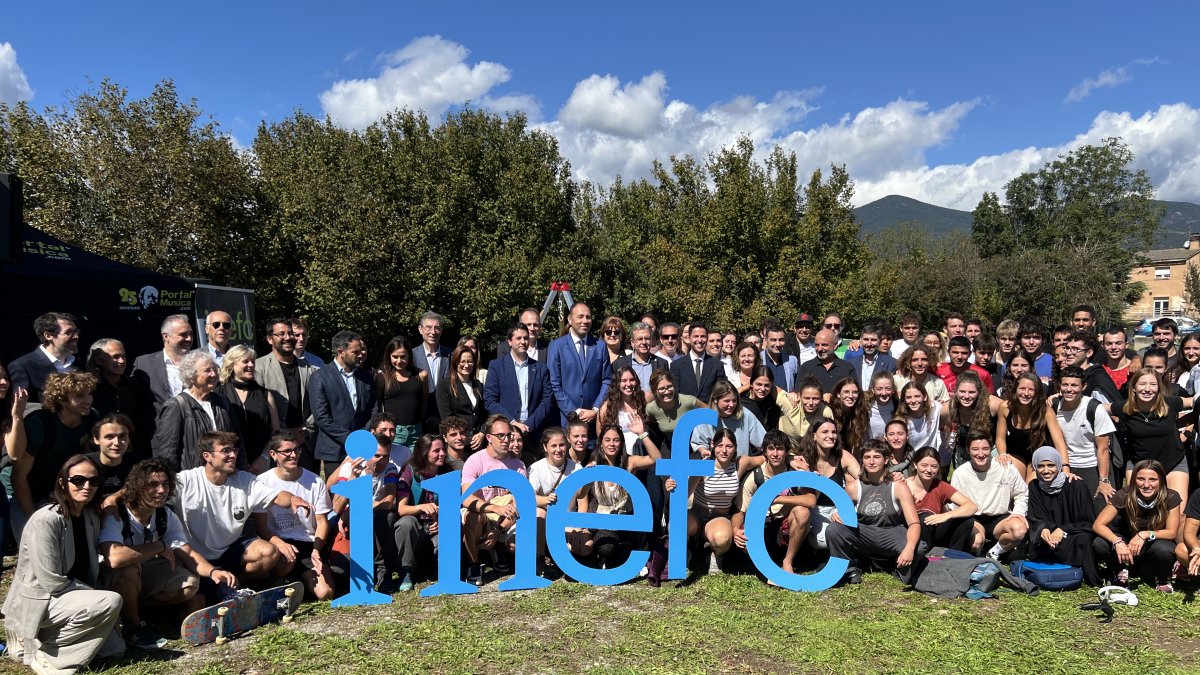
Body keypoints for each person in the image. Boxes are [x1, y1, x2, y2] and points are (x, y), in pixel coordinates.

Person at [3, 455, 125, 673]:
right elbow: (51, 582)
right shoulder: (46, 520)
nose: (87, 486)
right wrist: (100, 600)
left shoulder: (90, 516)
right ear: (62, 482)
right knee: (110, 601)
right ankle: (45, 656)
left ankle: (47, 643)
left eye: (94, 481)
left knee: (115, 650)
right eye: (78, 480)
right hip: (44, 600)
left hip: (70, 598)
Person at [174, 431, 314, 604]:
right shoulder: (185, 481)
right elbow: (154, 494)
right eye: (226, 451)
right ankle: (216, 590)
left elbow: (277, 496)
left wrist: (293, 499)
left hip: (230, 550)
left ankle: (232, 586)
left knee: (268, 552)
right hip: (196, 557)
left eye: (234, 450)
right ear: (207, 456)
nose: (233, 455)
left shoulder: (244, 480)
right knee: (194, 609)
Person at [97, 458, 202, 649]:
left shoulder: (163, 514)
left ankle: (135, 612)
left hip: (143, 575)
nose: (161, 490)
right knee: (128, 568)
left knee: (189, 584)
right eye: (153, 485)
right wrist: (158, 547)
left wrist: (214, 573)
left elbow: (185, 550)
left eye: (165, 484)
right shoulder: (117, 513)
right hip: (108, 580)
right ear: (137, 487)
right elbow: (114, 558)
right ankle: (133, 627)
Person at [12, 372, 99, 539]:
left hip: (62, 495)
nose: (88, 400)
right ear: (61, 399)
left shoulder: (91, 418)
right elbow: (18, 478)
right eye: (80, 396)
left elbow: (88, 459)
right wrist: (35, 519)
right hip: (27, 495)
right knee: (35, 549)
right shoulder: (39, 424)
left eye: (90, 394)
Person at [669, 428, 766, 574]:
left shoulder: (740, 463)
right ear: (712, 445)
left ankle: (715, 555)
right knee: (676, 526)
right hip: (696, 515)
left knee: (722, 539)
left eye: (729, 446)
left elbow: (766, 457)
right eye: (720, 445)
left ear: (735, 448)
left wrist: (790, 458)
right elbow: (684, 495)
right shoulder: (704, 465)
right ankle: (682, 558)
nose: (724, 451)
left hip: (719, 518)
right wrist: (673, 484)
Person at [827, 439, 924, 584]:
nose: (871, 462)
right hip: (864, 532)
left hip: (890, 532)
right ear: (863, 461)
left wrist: (909, 548)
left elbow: (914, 523)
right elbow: (840, 513)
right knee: (834, 530)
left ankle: (897, 568)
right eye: (867, 457)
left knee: (919, 548)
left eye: (876, 457)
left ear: (886, 460)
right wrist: (836, 514)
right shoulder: (853, 487)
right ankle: (850, 569)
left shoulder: (898, 486)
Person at [254, 430, 334, 600]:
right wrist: (280, 543)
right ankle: (279, 579)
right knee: (285, 560)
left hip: (307, 542)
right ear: (273, 455)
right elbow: (261, 527)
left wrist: (316, 550)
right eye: (287, 451)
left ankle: (297, 580)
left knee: (325, 593)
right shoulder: (261, 482)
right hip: (278, 541)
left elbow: (322, 523)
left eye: (296, 450)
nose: (293, 455)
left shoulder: (315, 481)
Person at [327, 419, 401, 591]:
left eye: (385, 456)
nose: (381, 461)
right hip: (349, 522)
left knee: (386, 517)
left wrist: (362, 506)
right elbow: (337, 507)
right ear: (367, 454)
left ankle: (384, 571)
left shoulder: (389, 469)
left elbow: (389, 502)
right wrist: (353, 480)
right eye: (377, 456)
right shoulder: (349, 468)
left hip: (371, 518)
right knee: (341, 572)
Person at [729, 431, 815, 576]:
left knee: (803, 512)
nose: (775, 453)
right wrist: (735, 530)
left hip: (785, 526)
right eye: (771, 448)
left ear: (787, 452)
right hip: (763, 525)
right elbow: (740, 511)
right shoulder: (756, 476)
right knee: (744, 531)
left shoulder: (795, 471)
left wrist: (777, 499)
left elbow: (811, 500)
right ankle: (764, 561)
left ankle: (787, 561)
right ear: (765, 451)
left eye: (780, 449)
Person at [1112, 368, 1194, 512]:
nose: (1147, 389)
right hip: (1140, 465)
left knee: (1178, 513)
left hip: (1173, 463)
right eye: (1142, 384)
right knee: (1139, 512)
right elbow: (1097, 408)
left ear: (1159, 388)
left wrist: (1188, 429)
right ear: (1134, 388)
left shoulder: (1171, 403)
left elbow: (1195, 401)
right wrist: (1059, 401)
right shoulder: (1124, 408)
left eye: (1153, 384)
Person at [583, 424, 663, 571]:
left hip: (627, 520)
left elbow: (657, 459)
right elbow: (581, 494)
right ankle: (609, 558)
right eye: (607, 440)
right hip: (604, 522)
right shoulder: (594, 466)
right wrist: (588, 479)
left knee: (651, 522)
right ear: (601, 443)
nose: (612, 444)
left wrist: (642, 434)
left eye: (616, 440)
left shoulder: (629, 462)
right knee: (607, 548)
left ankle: (639, 560)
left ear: (621, 442)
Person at [1093, 459, 1181, 592]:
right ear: (1134, 480)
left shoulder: (1171, 497)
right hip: (1127, 545)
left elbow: (1171, 532)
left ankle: (1163, 578)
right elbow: (1098, 525)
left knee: (1164, 549)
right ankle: (1120, 573)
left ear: (1161, 481)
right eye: (1140, 479)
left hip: (1153, 544)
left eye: (1152, 479)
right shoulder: (1124, 495)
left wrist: (1144, 534)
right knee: (1100, 543)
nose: (1146, 485)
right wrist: (1117, 541)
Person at [460, 415, 528, 584]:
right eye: (501, 436)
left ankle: (499, 549)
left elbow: (521, 503)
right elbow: (466, 498)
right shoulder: (475, 460)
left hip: (505, 518)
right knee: (473, 515)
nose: (506, 440)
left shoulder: (518, 465)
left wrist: (498, 529)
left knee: (520, 543)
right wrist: (494, 509)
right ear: (488, 438)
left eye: (508, 436)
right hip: (482, 512)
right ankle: (473, 563)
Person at [151, 350, 241, 473]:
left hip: (224, 478)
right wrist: (173, 483)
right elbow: (168, 452)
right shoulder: (177, 406)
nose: (214, 374)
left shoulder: (223, 402)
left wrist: (241, 471)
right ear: (191, 376)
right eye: (207, 370)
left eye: (215, 369)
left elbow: (237, 440)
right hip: (194, 482)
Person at [1027, 447, 1101, 586]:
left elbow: (1089, 521)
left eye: (1051, 465)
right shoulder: (1034, 486)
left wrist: (1063, 530)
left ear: (1059, 466)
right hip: (1050, 538)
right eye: (1041, 466)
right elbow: (1036, 516)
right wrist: (1044, 529)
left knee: (1083, 539)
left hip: (1073, 534)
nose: (1046, 470)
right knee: (1037, 541)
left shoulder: (1076, 484)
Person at [309, 330, 376, 479]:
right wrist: (350, 438)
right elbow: (321, 416)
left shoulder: (366, 377)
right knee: (338, 496)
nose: (361, 355)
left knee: (362, 495)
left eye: (361, 350)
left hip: (363, 448)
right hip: (334, 450)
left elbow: (374, 409)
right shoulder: (320, 377)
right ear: (341, 352)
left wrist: (362, 436)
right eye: (355, 351)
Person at [951, 432, 1029, 559]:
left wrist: (1018, 512)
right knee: (976, 542)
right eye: (975, 449)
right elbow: (954, 503)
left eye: (985, 449)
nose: (980, 454)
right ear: (967, 450)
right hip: (974, 518)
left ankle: (994, 552)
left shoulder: (1005, 468)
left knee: (1019, 530)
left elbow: (1022, 493)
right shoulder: (960, 473)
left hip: (1000, 517)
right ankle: (977, 551)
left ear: (991, 449)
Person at [1054, 366, 1117, 512]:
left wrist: (1104, 480)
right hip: (1067, 465)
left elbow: (1103, 448)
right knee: (1071, 511)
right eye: (1065, 385)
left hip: (1092, 466)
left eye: (1074, 385)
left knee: (1101, 510)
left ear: (1084, 387)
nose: (1069, 389)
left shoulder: (1094, 408)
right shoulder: (1055, 406)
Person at [393, 434, 452, 591]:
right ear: (424, 453)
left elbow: (453, 505)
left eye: (443, 450)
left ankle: (447, 571)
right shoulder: (409, 472)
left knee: (453, 525)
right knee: (406, 522)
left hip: (436, 528)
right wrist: (421, 507)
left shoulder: (447, 472)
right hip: (416, 528)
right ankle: (405, 572)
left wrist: (442, 520)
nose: (442, 454)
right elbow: (401, 509)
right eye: (436, 451)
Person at [484, 323, 555, 444]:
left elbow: (547, 400)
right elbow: (490, 400)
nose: (523, 341)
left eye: (526, 338)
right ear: (509, 342)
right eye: (518, 338)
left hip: (533, 432)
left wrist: (529, 424)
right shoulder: (496, 366)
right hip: (505, 434)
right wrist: (512, 422)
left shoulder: (540, 368)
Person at [85, 338, 153, 461]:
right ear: (99, 360)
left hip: (133, 453)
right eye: (115, 357)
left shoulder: (134, 386)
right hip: (100, 455)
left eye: (124, 356)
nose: (121, 361)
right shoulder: (91, 389)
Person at [995, 372, 1069, 481]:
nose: (1026, 393)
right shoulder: (1005, 407)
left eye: (1031, 390)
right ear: (1015, 389)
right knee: (1013, 478)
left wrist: (1065, 468)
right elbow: (1000, 438)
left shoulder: (1045, 411)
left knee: (1032, 485)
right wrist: (1002, 454)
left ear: (1037, 392)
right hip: (1016, 454)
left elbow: (1059, 442)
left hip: (1039, 455)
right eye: (1022, 388)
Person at [548, 302, 612, 428]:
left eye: (588, 317)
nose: (585, 320)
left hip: (594, 421)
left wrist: (595, 409)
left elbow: (607, 379)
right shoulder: (556, 346)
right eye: (580, 316)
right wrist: (575, 412)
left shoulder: (600, 346)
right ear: (570, 319)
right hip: (567, 420)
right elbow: (554, 383)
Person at [218, 345, 279, 471]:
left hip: (262, 465)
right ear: (232, 364)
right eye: (245, 361)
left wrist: (264, 457)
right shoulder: (218, 394)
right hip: (228, 464)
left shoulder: (265, 394)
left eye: (252, 361)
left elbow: (275, 431)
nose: (251, 365)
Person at [906, 447, 977, 552]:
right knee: (924, 517)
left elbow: (972, 506)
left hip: (935, 531)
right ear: (915, 465)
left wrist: (946, 515)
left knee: (967, 520)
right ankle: (924, 555)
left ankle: (953, 554)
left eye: (934, 466)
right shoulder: (904, 486)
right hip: (910, 533)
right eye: (924, 465)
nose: (929, 470)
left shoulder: (941, 486)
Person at [255, 318, 315, 439]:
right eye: (281, 334)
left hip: (305, 440)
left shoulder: (309, 368)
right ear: (269, 339)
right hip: (275, 442)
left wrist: (306, 430)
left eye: (290, 333)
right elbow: (259, 407)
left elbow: (318, 403)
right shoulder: (259, 367)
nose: (288, 337)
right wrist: (286, 433)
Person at [7, 311, 81, 403]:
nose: (76, 336)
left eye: (76, 332)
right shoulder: (23, 366)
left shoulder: (79, 364)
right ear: (48, 336)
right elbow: (22, 407)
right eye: (68, 332)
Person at [132, 314, 195, 410]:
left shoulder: (199, 363)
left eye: (191, 334)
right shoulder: (143, 364)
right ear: (166, 336)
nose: (189, 339)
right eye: (183, 334)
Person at [690, 381, 767, 457]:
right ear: (716, 400)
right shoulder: (706, 418)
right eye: (727, 401)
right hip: (715, 466)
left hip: (740, 467)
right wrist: (704, 451)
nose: (731, 405)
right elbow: (698, 442)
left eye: (734, 401)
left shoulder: (745, 415)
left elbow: (763, 442)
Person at [375, 336, 427, 447]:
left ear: (409, 356)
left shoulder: (421, 375)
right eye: (395, 357)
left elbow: (424, 402)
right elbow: (377, 405)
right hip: (393, 432)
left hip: (415, 431)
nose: (399, 361)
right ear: (389, 356)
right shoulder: (383, 377)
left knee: (414, 464)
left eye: (403, 356)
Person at [436, 345, 488, 450]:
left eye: (470, 361)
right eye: (462, 361)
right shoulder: (445, 385)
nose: (466, 365)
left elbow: (484, 414)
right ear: (455, 362)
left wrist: (482, 433)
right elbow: (447, 417)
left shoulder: (478, 385)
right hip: (458, 442)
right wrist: (464, 435)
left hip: (478, 441)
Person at [84, 414, 135, 510]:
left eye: (122, 437)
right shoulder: (83, 464)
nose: (117, 443)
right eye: (109, 437)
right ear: (96, 439)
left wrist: (115, 497)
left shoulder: (136, 465)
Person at [598, 366, 654, 452]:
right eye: (623, 381)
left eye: (632, 380)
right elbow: (600, 436)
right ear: (617, 383)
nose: (629, 384)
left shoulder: (645, 397)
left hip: (643, 450)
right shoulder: (607, 406)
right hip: (619, 453)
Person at [669, 321, 726, 403]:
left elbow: (721, 392)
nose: (699, 340)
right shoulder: (676, 365)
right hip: (686, 413)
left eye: (703, 336)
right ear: (689, 338)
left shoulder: (717, 365)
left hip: (708, 412)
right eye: (696, 336)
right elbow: (675, 394)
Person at [412, 312, 451, 431]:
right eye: (428, 327)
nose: (433, 332)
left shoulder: (451, 355)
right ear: (420, 329)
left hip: (444, 418)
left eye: (437, 328)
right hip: (418, 419)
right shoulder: (411, 355)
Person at [1061, 331, 1122, 404]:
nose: (1068, 353)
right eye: (1067, 348)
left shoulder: (1096, 380)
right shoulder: (1069, 374)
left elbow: (1107, 410)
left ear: (1089, 353)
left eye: (1075, 349)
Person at [795, 329, 857, 396]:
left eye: (824, 345)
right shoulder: (806, 367)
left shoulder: (847, 368)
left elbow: (854, 393)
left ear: (835, 345)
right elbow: (799, 393)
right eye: (817, 345)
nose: (820, 349)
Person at [612, 321, 669, 394]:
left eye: (647, 338)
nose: (644, 342)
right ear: (632, 343)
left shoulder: (662, 363)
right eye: (639, 339)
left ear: (651, 341)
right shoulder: (619, 364)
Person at [780, 377, 834, 443]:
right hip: (785, 450)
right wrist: (789, 394)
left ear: (821, 399)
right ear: (799, 396)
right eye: (807, 398)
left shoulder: (825, 412)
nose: (811, 403)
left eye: (815, 399)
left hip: (811, 450)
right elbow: (772, 387)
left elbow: (830, 436)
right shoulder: (790, 404)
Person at [897, 382, 942, 460]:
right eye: (908, 397)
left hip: (930, 458)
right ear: (904, 399)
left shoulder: (935, 408)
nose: (913, 401)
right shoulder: (901, 421)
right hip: (909, 461)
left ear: (924, 397)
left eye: (917, 396)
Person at [846, 324, 897, 392]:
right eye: (866, 339)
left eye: (873, 340)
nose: (869, 344)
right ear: (860, 340)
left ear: (879, 341)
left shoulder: (892, 363)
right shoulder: (851, 363)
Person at [741, 365, 787, 431]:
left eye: (767, 385)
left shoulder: (774, 403)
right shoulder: (741, 401)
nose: (762, 389)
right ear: (751, 384)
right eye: (759, 384)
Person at [829, 378, 870, 453]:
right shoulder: (830, 411)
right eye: (846, 392)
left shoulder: (862, 413)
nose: (851, 396)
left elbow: (857, 443)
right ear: (838, 394)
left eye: (855, 392)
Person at [761, 325, 799, 392]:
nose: (778, 344)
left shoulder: (792, 360)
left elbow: (797, 385)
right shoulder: (758, 360)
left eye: (781, 340)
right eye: (773, 340)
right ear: (765, 340)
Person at [1102, 327, 1139, 392]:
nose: (1113, 347)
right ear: (1103, 345)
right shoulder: (1099, 371)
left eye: (1118, 343)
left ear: (1126, 345)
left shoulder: (1136, 369)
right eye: (1109, 343)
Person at [866, 371, 897, 439]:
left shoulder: (898, 406)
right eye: (879, 389)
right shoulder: (865, 406)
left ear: (893, 389)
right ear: (873, 390)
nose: (884, 393)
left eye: (888, 389)